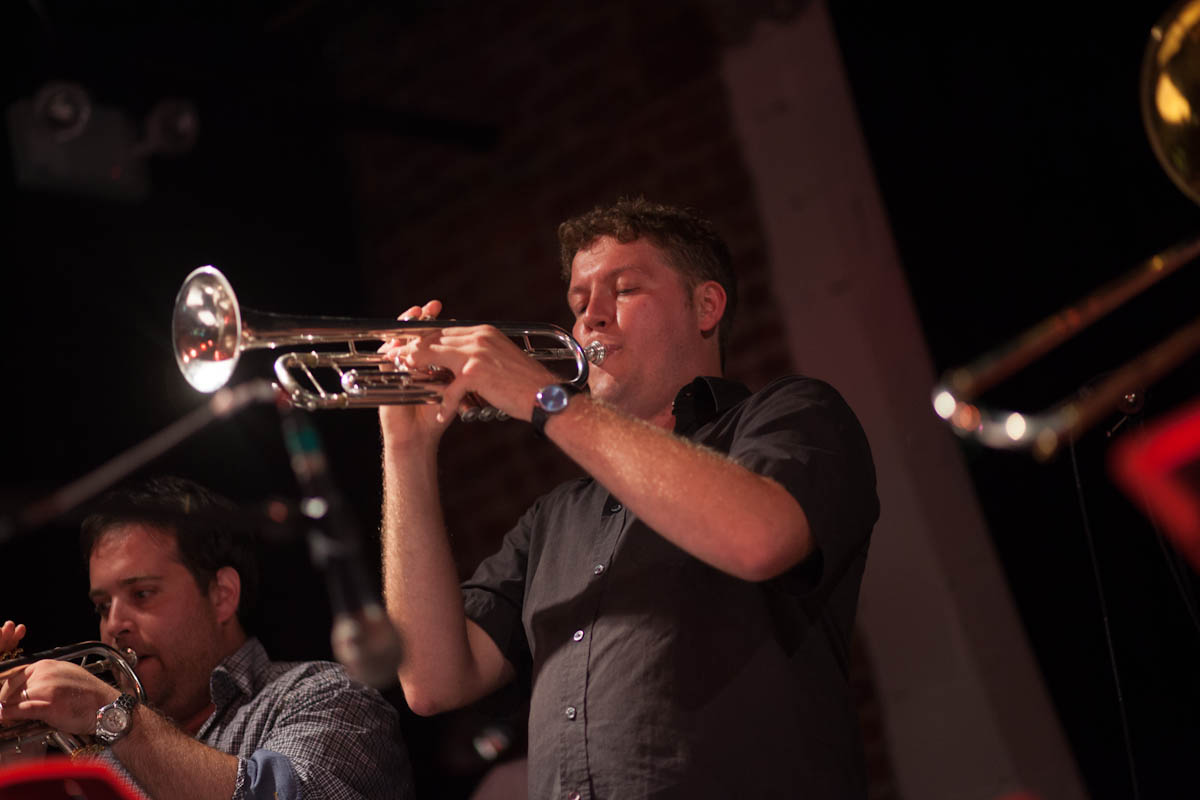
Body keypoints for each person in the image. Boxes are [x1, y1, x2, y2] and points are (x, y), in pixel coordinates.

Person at [379, 197, 879, 798]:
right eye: (577, 301)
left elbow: (760, 538)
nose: (590, 317)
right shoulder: (552, 519)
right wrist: (406, 449)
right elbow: (432, 681)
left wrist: (544, 400)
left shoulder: (792, 414)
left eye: (624, 288)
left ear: (706, 306)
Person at [0, 476, 413, 800]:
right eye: (102, 606)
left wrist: (110, 712)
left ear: (222, 596)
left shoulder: (328, 697)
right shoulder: (100, 764)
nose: (115, 624)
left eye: (142, 594)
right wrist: (15, 760)